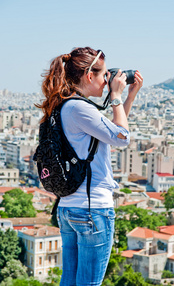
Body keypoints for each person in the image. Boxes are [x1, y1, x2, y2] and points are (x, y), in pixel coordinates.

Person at [37, 47, 143, 286]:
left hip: (69, 208)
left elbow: (111, 134)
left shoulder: (66, 105)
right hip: (92, 210)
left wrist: (129, 97)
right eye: (104, 75)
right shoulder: (80, 108)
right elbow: (122, 138)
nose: (107, 81)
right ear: (88, 76)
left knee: (71, 281)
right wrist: (115, 95)